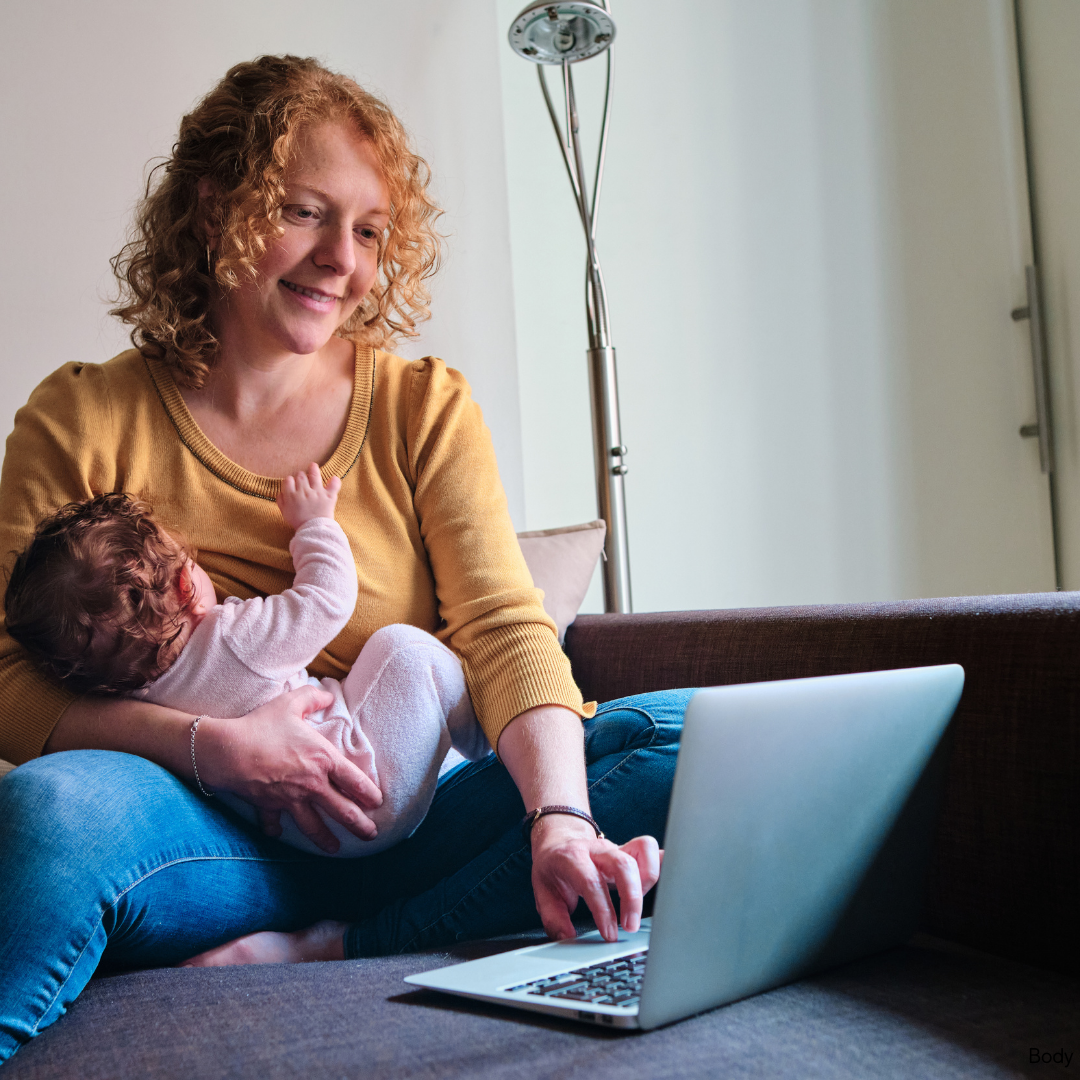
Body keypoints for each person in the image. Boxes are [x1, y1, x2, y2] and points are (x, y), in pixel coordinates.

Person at [0, 54, 687, 1064]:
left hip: (406, 817)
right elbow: (8, 675)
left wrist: (559, 821)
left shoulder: (422, 407)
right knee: (47, 812)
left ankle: (340, 942)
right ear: (211, 207)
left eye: (368, 230)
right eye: (305, 212)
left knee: (687, 735)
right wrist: (217, 748)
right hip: (201, 835)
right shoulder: (84, 415)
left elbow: (501, 628)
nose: (341, 259)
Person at [4, 467, 490, 858]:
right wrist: (315, 524)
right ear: (186, 587)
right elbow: (328, 598)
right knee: (402, 649)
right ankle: (483, 743)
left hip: (305, 839)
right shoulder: (233, 639)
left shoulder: (123, 696)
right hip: (366, 785)